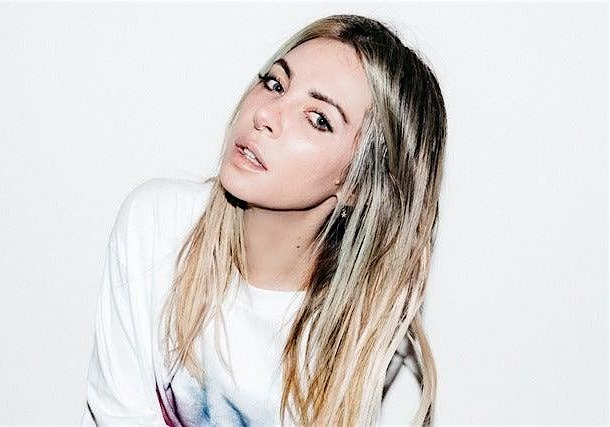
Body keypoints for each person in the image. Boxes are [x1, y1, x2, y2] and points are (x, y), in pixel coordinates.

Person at [81, 13, 446, 427]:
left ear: (359, 185)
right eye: (275, 84)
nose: (267, 115)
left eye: (318, 119)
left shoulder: (352, 337)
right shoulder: (159, 227)